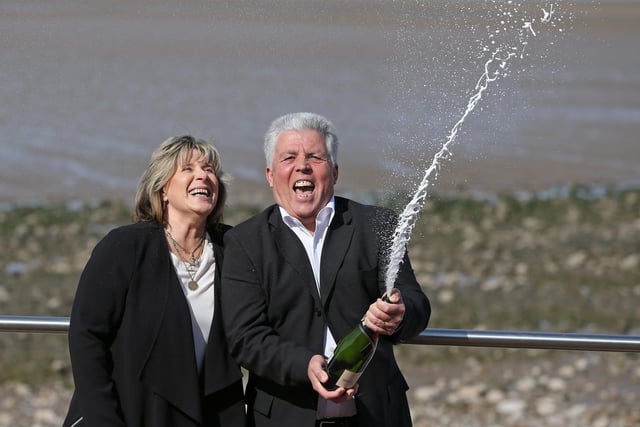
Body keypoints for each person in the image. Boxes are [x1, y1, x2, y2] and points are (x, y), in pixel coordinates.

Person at [220, 112, 430, 427]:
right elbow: (245, 338)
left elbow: (417, 303)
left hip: (377, 415)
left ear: (334, 171)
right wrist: (304, 364)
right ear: (270, 173)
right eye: (288, 157)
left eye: (314, 157)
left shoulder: (378, 225)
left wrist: (399, 314)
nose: (302, 166)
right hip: (285, 417)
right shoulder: (245, 242)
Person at [63, 135, 246, 427]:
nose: (203, 175)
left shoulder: (234, 248)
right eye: (188, 168)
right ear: (161, 189)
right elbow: (87, 336)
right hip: (129, 412)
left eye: (209, 169)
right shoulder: (124, 247)